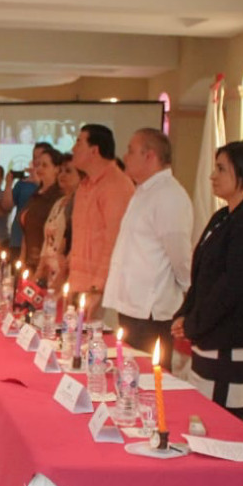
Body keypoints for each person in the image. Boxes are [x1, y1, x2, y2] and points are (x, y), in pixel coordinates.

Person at [171, 141, 243, 419]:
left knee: (223, 417)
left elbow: (235, 286)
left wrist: (195, 323)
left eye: (221, 169)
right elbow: (203, 274)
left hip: (234, 335)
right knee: (203, 412)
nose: (212, 176)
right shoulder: (223, 217)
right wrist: (186, 313)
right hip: (211, 332)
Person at [103, 128, 192, 353]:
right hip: (132, 304)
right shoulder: (143, 191)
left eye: (131, 151)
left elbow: (179, 253)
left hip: (151, 308)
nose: (125, 157)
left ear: (150, 156)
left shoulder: (169, 195)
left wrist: (186, 289)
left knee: (150, 378)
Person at [67, 124, 135, 317]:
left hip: (102, 291)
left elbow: (114, 242)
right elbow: (81, 236)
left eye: (79, 142)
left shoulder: (116, 185)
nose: (73, 149)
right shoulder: (85, 185)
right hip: (78, 284)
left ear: (94, 150)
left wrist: (98, 289)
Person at [1, 141, 53, 261]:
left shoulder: (54, 184)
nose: (36, 161)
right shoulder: (23, 183)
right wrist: (8, 184)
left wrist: (38, 182)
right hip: (17, 239)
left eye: (40, 158)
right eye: (34, 157)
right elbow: (6, 206)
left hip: (39, 243)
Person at [35, 153, 80, 290]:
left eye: (68, 171)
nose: (62, 175)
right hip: (49, 273)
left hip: (65, 274)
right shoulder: (59, 203)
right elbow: (47, 242)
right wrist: (39, 272)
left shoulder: (79, 204)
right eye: (60, 171)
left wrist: (61, 276)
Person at [18, 148, 62, 267]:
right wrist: (22, 259)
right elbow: (26, 230)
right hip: (28, 261)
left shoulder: (58, 197)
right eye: (38, 165)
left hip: (46, 264)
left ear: (57, 169)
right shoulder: (36, 194)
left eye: (45, 165)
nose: (39, 169)